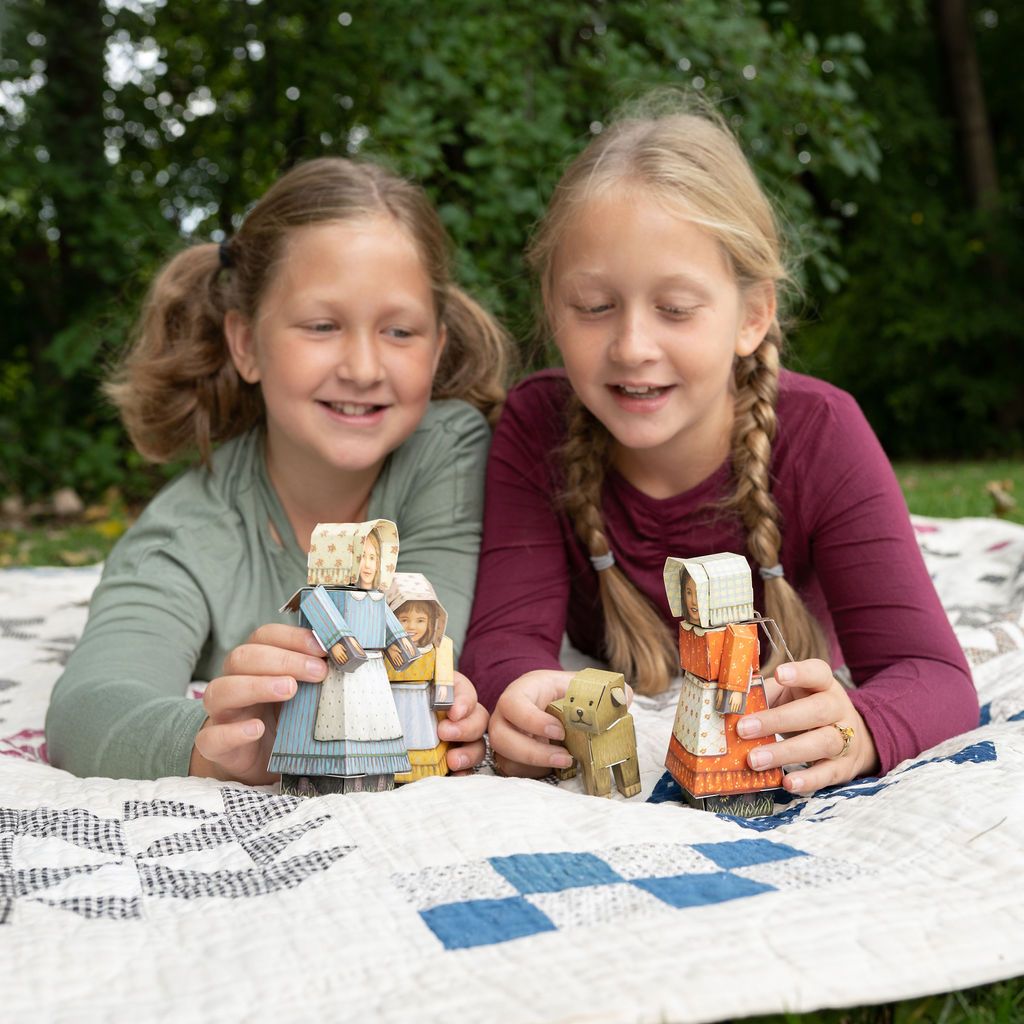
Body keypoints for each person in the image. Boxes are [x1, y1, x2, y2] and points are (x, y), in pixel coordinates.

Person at [461, 99, 977, 796]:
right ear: (553, 309)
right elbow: (504, 641)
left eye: (675, 309)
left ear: (753, 315)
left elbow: (934, 676)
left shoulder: (824, 433)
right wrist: (517, 697)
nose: (633, 346)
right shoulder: (536, 425)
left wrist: (857, 728)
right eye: (593, 307)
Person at [46, 156, 508, 785]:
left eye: (400, 331)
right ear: (245, 344)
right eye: (322, 326)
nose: (365, 367)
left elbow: (422, 658)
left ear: (438, 347)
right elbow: (87, 709)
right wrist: (213, 743)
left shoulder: (449, 451)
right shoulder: (187, 531)